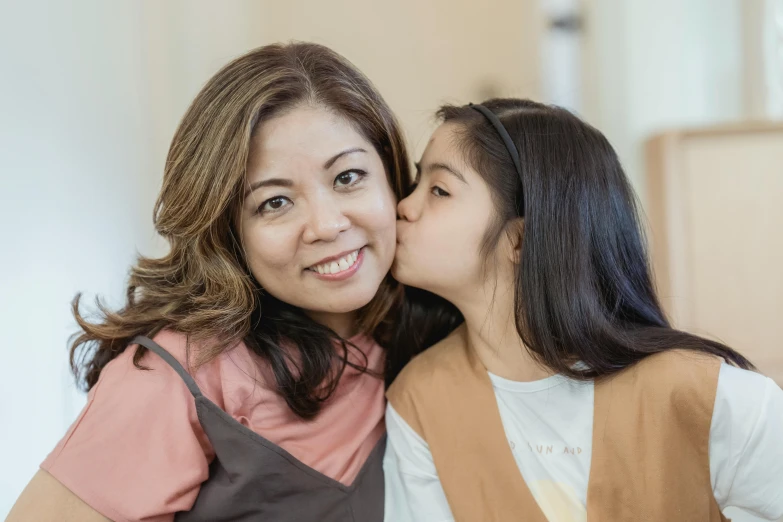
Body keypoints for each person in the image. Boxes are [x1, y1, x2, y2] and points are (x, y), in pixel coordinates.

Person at [9, 41, 414, 522]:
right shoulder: (184, 373)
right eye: (275, 203)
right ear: (227, 230)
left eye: (348, 176)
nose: (326, 225)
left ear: (391, 176)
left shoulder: (425, 326)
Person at [383, 98, 783, 521]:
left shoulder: (714, 398)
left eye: (439, 190)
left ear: (519, 239)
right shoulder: (420, 400)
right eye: (416, 183)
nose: (404, 206)